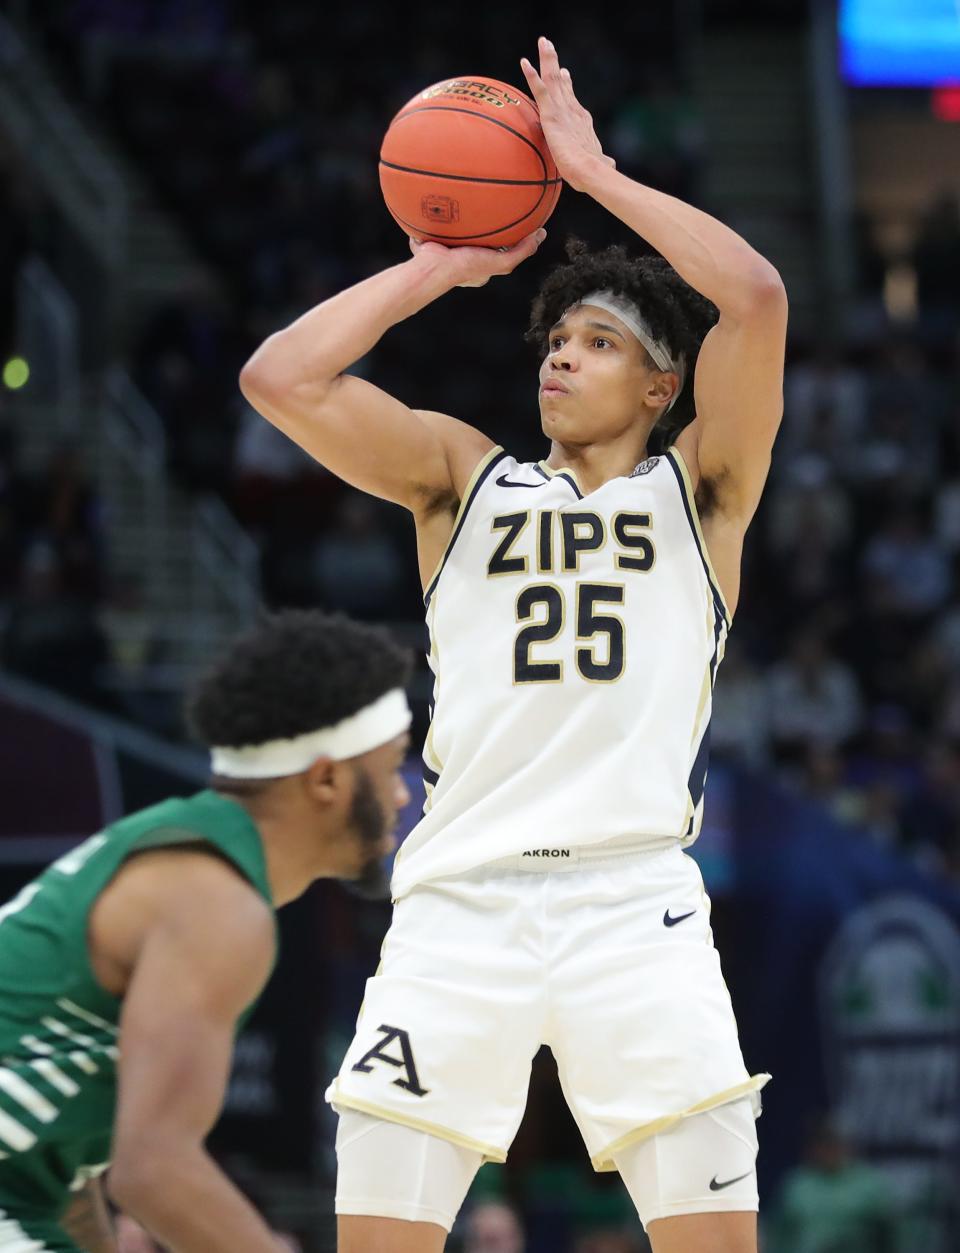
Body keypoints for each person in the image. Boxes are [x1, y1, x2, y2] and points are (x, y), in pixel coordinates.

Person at [241, 36, 787, 1253]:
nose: (560, 353)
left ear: (662, 387)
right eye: (556, 338)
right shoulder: (458, 477)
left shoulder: (704, 491)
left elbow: (753, 296)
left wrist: (594, 176)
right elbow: (280, 376)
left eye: (598, 342)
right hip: (458, 905)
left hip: (634, 897)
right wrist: (434, 269)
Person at [0, 610, 412, 1252]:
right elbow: (155, 1169)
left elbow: (68, 1167)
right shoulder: (216, 903)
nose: (402, 796)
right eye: (390, 768)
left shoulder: (181, 847)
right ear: (327, 779)